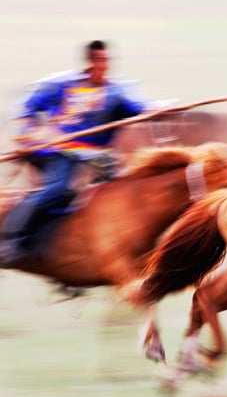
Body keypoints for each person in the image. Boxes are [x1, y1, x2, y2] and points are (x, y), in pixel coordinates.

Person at [0, 40, 149, 265]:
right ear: (89, 62)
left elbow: (139, 107)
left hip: (101, 157)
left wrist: (159, 108)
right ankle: (13, 240)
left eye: (106, 61)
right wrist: (26, 135)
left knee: (126, 194)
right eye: (99, 60)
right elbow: (26, 107)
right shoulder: (61, 84)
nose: (104, 65)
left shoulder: (116, 91)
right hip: (66, 151)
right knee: (62, 189)